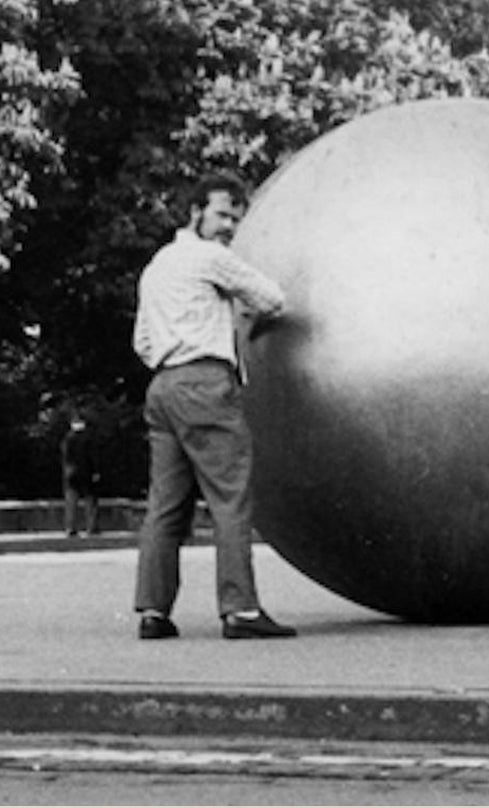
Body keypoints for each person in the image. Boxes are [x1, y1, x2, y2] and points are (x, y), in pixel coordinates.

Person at [132, 175, 296, 641]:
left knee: (165, 506)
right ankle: (240, 610)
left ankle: (153, 611)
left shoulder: (158, 266)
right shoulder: (211, 259)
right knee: (230, 498)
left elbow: (142, 341)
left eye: (236, 217)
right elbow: (273, 298)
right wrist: (240, 317)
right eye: (223, 214)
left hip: (163, 386)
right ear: (194, 213)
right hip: (205, 384)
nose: (230, 225)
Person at [60, 413, 101, 538]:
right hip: (87, 472)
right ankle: (91, 527)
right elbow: (93, 456)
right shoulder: (89, 438)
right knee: (90, 500)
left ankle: (70, 527)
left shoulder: (67, 439)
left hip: (72, 473)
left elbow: (65, 457)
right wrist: (96, 471)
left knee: (71, 501)